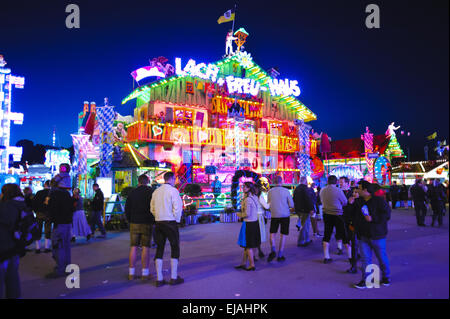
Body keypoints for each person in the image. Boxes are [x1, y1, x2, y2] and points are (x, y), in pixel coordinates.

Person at [350, 180, 391, 289]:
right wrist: (350, 204)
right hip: (363, 235)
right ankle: (366, 280)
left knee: (381, 257)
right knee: (365, 259)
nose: (356, 190)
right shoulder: (358, 201)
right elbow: (351, 215)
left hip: (377, 235)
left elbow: (386, 215)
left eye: (359, 188)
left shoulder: (378, 201)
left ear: (365, 190)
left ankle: (386, 277)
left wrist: (373, 219)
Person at [150, 172, 183, 287]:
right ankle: (173, 277)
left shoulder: (156, 192)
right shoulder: (173, 191)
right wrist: (176, 220)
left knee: (159, 248)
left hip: (158, 222)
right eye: (175, 179)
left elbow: (152, 208)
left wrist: (158, 216)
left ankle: (159, 279)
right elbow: (178, 207)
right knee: (174, 247)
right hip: (170, 222)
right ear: (172, 179)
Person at [125, 174, 154, 281]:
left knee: (133, 247)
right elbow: (154, 207)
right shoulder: (151, 192)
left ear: (138, 181)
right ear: (147, 181)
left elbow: (127, 208)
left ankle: (131, 273)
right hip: (146, 222)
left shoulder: (132, 192)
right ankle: (145, 273)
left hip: (134, 222)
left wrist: (129, 220)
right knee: (145, 247)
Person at [0, 184, 27, 299]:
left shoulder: (6, 207)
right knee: (12, 277)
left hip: (5, 247)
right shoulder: (21, 204)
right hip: (15, 247)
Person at [46, 179, 74, 278]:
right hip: (67, 223)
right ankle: (67, 267)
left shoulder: (53, 195)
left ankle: (60, 269)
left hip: (59, 224)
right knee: (66, 246)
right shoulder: (67, 194)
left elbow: (49, 208)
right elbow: (72, 208)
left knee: (58, 247)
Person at [319, 175, 348, 264]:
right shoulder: (338, 190)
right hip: (337, 214)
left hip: (326, 214)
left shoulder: (322, 190)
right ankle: (350, 256)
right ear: (336, 182)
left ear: (327, 181)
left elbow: (321, 200)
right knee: (343, 233)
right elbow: (345, 202)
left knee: (327, 234)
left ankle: (326, 256)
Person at [267, 176, 294, 262]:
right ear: (281, 181)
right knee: (283, 234)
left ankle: (273, 249)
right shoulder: (286, 191)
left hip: (274, 215)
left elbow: (268, 203)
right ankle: (280, 254)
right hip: (285, 215)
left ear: (274, 182)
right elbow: (291, 205)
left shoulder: (270, 192)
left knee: (272, 233)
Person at [235, 182, 261, 271]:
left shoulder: (247, 199)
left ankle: (252, 265)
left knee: (248, 245)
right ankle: (243, 263)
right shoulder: (255, 197)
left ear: (249, 188)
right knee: (249, 245)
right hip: (255, 223)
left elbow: (246, 214)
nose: (243, 188)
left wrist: (238, 214)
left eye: (244, 187)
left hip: (248, 224)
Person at [339, 176, 357, 273]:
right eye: (339, 182)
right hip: (342, 217)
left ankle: (353, 257)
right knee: (345, 237)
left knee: (352, 238)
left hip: (352, 219)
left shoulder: (353, 192)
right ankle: (351, 255)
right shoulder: (338, 192)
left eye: (342, 182)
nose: (340, 184)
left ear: (347, 183)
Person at [293, 176, 315, 247]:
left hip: (299, 210)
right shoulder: (305, 189)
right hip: (305, 209)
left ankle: (306, 239)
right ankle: (302, 241)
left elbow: (294, 199)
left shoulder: (296, 189)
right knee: (305, 225)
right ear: (305, 181)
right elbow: (308, 199)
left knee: (304, 224)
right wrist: (311, 209)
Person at [32, 180, 52, 253]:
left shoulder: (39, 193)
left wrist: (35, 211)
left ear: (45, 185)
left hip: (39, 213)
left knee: (38, 229)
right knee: (48, 230)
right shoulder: (52, 193)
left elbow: (34, 203)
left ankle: (38, 248)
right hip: (49, 213)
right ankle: (47, 247)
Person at [254, 183, 270, 259]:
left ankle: (254, 252)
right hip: (259, 217)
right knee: (258, 235)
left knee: (254, 235)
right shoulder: (260, 197)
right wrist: (270, 202)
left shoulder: (251, 196)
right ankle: (258, 251)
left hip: (252, 217)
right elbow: (266, 206)